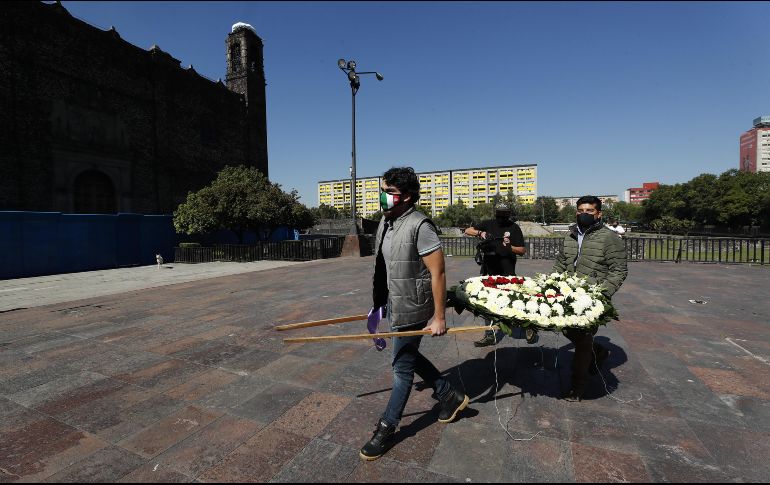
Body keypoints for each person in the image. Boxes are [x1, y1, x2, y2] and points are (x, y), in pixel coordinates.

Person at [361, 167, 469, 461]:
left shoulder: (421, 226)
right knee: (407, 353)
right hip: (395, 300)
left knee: (401, 367)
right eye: (383, 190)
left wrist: (439, 318)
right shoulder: (387, 222)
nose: (384, 196)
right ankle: (448, 394)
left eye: (391, 192)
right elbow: (383, 268)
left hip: (415, 305)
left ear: (407, 196)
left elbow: (438, 272)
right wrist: (378, 303)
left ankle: (387, 426)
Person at [553, 196, 628, 401]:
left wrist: (601, 294)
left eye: (589, 211)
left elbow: (619, 270)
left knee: (583, 340)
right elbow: (561, 262)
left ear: (599, 214)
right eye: (580, 210)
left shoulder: (608, 237)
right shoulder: (569, 236)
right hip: (567, 295)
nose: (583, 214)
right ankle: (598, 351)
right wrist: (551, 284)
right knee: (567, 329)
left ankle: (578, 385)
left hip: (591, 298)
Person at [464, 202, 535, 347]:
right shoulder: (488, 224)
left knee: (515, 301)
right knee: (485, 302)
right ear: (495, 212)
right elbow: (467, 230)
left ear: (509, 213)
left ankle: (529, 327)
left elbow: (522, 250)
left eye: (505, 213)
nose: (501, 216)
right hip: (488, 270)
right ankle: (489, 334)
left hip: (507, 271)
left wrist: (509, 247)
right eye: (499, 213)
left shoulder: (514, 228)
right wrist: (480, 233)